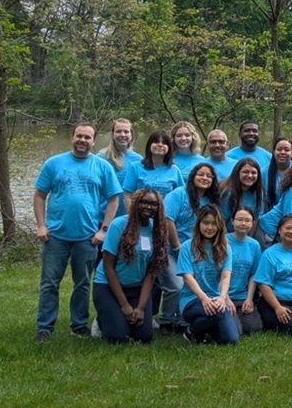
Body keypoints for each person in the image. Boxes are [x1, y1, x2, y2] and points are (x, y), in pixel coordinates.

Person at [34, 122, 122, 341]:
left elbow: (114, 199)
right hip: (55, 236)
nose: (83, 140)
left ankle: (79, 325)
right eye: (79, 136)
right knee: (49, 284)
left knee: (82, 283)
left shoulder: (102, 166)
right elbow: (39, 195)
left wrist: (103, 230)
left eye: (87, 137)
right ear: (72, 138)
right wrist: (41, 225)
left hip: (87, 237)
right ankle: (45, 327)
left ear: (93, 141)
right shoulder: (54, 163)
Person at [92, 189, 166, 344]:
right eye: (144, 202)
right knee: (119, 337)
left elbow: (151, 273)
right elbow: (108, 268)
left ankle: (118, 317)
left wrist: (140, 307)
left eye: (154, 204)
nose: (148, 207)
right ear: (135, 203)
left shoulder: (157, 230)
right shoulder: (119, 225)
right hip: (108, 286)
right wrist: (125, 305)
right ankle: (100, 320)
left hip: (137, 288)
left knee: (144, 336)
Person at [163, 163, 222, 331]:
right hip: (173, 250)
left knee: (192, 286)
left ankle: (183, 320)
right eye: (200, 174)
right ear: (192, 176)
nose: (204, 178)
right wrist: (177, 246)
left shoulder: (211, 200)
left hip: (199, 252)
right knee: (176, 285)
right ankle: (166, 320)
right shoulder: (179, 194)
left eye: (209, 176)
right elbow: (168, 220)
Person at [176, 204, 238, 344]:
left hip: (216, 299)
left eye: (214, 224)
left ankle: (203, 329)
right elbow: (187, 277)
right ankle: (191, 332)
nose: (209, 227)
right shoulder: (187, 246)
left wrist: (222, 298)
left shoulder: (225, 247)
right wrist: (204, 298)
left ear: (219, 226)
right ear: (198, 224)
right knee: (216, 313)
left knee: (230, 339)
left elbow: (225, 276)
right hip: (192, 300)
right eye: (206, 223)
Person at [122, 131, 184, 210]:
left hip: (165, 217)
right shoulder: (135, 167)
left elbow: (181, 196)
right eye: (156, 142)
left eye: (164, 143)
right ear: (149, 145)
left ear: (169, 148)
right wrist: (132, 218)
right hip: (140, 216)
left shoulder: (174, 170)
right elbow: (127, 195)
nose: (160, 145)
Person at [226, 207, 263, 335]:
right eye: (239, 220)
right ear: (232, 221)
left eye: (247, 220)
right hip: (223, 296)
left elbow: (254, 274)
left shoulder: (254, 245)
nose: (243, 223)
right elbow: (215, 274)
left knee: (254, 328)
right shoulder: (223, 241)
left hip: (242, 297)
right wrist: (225, 298)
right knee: (236, 330)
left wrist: (249, 299)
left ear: (253, 223)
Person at [97, 118, 142, 217]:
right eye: (118, 131)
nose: (122, 135)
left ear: (131, 135)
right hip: (103, 216)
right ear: (112, 135)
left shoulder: (138, 160)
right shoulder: (101, 158)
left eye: (126, 131)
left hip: (128, 215)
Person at [219, 158, 263, 235]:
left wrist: (248, 239)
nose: (250, 175)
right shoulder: (228, 192)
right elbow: (222, 220)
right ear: (237, 173)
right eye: (245, 172)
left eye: (253, 173)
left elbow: (255, 220)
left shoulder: (258, 193)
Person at [264, 137, 292, 208]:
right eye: (279, 149)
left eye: (287, 150)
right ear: (274, 151)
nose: (283, 152)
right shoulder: (263, 172)